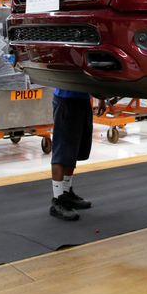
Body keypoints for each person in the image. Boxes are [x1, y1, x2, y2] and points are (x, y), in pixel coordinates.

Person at [49, 89, 93, 221]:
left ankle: (66, 193)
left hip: (83, 99)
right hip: (66, 100)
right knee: (62, 150)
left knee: (74, 150)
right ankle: (58, 200)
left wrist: (101, 98)